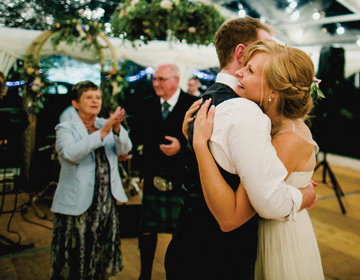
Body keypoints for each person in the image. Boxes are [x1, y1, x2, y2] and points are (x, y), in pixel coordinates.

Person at [164, 16, 317, 279]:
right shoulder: (246, 112)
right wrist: (306, 196)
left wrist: (196, 143)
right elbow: (242, 211)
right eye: (266, 49)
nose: (242, 73)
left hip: (194, 248)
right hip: (217, 261)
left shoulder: (210, 100)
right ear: (241, 53)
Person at [50, 81, 132, 280]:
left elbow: (125, 150)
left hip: (105, 204)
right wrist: (103, 131)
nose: (95, 101)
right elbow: (70, 154)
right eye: (88, 97)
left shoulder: (106, 123)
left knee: (100, 254)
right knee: (75, 256)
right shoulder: (65, 128)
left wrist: (117, 129)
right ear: (75, 104)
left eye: (97, 97)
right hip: (77, 203)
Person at [130, 63, 198, 279]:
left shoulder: (194, 104)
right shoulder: (144, 104)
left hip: (181, 180)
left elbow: (202, 142)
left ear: (176, 81)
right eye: (155, 79)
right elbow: (137, 138)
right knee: (147, 232)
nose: (156, 83)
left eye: (161, 79)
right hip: (152, 177)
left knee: (180, 235)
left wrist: (181, 147)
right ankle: (145, 275)